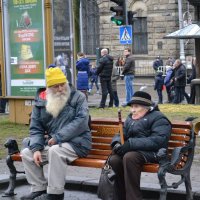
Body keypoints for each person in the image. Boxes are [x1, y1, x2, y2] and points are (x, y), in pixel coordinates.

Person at [20, 67, 91, 200]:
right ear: (48, 88)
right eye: (55, 86)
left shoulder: (78, 97)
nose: (60, 89)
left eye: (62, 84)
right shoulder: (41, 101)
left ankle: (55, 194)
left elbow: (82, 122)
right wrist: (36, 148)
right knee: (27, 153)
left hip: (78, 143)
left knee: (54, 151)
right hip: (55, 144)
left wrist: (59, 137)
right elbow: (36, 128)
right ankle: (38, 188)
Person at [109, 91, 171, 200]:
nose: (132, 110)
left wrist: (131, 144)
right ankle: (120, 196)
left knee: (130, 157)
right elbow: (121, 133)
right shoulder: (131, 118)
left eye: (136, 107)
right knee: (114, 159)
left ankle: (134, 197)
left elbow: (159, 141)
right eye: (132, 106)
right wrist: (117, 143)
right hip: (134, 151)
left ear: (147, 107)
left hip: (154, 153)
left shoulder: (159, 118)